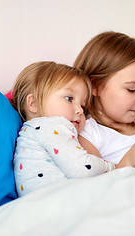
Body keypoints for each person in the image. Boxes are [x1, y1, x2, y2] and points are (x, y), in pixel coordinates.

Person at [11, 61, 117, 196]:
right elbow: (83, 169)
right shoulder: (51, 126)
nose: (79, 110)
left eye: (83, 106)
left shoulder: (30, 132)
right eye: (69, 98)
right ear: (34, 103)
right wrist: (114, 167)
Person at [73, 31, 135, 169]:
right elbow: (96, 185)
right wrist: (128, 161)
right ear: (95, 86)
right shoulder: (90, 134)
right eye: (132, 89)